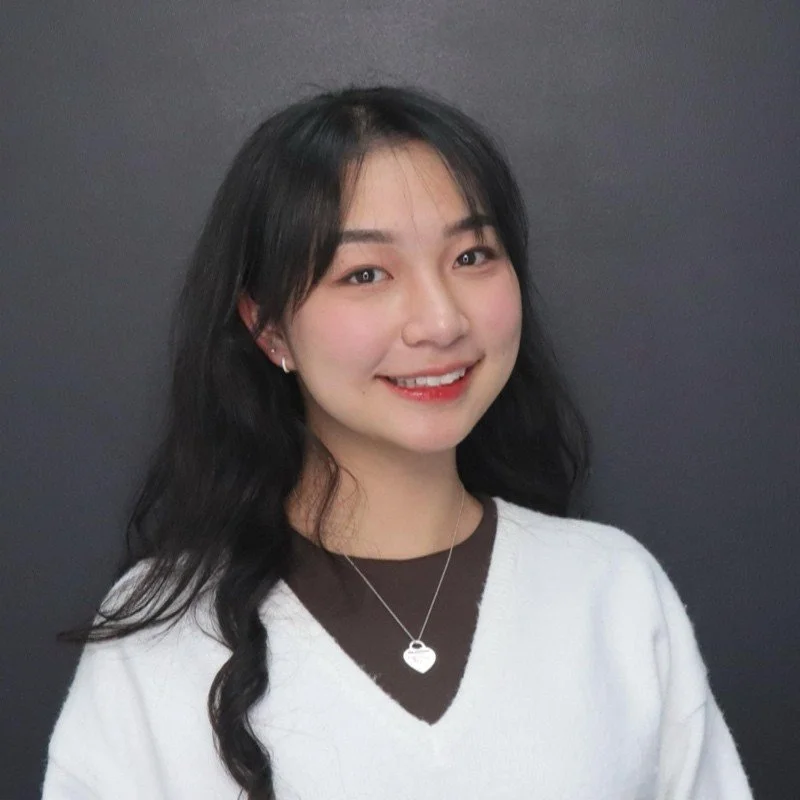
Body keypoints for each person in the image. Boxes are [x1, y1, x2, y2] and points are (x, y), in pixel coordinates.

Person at [43, 86, 753, 800]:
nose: (440, 321)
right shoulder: (161, 631)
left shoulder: (614, 590)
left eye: (472, 256)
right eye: (366, 273)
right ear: (269, 328)